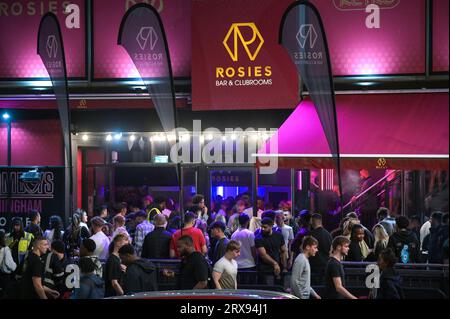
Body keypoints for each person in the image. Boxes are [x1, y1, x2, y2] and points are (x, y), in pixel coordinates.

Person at [254, 217, 288, 286]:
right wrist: (275, 264)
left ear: (271, 226)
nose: (262, 229)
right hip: (265, 269)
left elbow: (284, 251)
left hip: (278, 268)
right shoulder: (258, 238)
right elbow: (263, 255)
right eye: (262, 227)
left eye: (265, 227)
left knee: (279, 290)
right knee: (267, 290)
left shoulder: (278, 235)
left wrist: (284, 266)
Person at [0, 230, 17, 298]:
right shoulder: (5, 249)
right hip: (5, 276)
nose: (6, 239)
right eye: (4, 237)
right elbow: (9, 264)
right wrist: (15, 266)